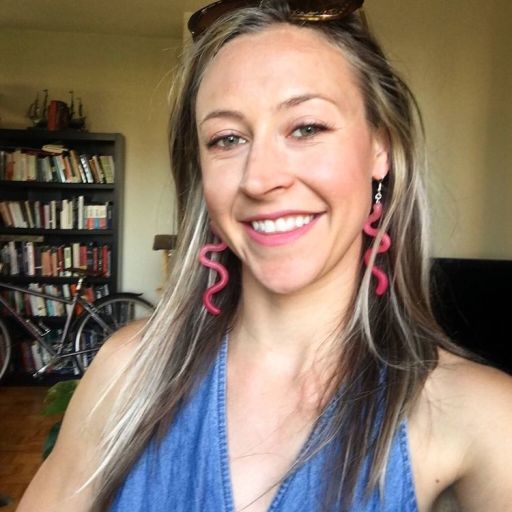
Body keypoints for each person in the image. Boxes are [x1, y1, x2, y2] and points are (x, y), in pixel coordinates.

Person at [18, 1, 512, 511]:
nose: (259, 179)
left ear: (379, 149)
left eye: (307, 128)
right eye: (227, 139)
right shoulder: (128, 371)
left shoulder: (479, 416)